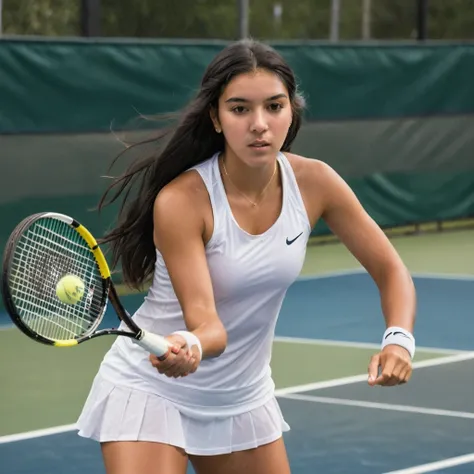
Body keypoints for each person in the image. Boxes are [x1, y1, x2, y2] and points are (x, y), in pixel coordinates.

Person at [76, 39, 417, 474]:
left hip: (242, 398)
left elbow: (391, 270)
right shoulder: (183, 201)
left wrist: (399, 340)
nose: (260, 124)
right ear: (216, 118)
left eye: (274, 106)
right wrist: (194, 344)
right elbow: (208, 325)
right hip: (152, 392)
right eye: (240, 109)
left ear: (292, 111)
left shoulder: (316, 183)